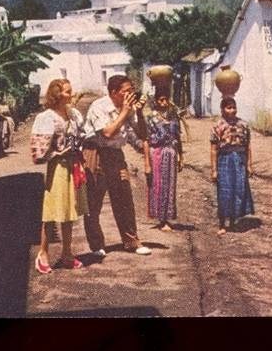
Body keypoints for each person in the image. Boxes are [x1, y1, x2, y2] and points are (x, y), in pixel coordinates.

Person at [82, 75, 152, 256]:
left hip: (115, 155)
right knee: (94, 201)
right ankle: (97, 245)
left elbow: (143, 135)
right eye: (126, 91)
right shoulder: (99, 106)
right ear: (114, 92)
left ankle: (131, 241)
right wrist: (124, 112)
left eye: (131, 90)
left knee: (124, 198)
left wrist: (139, 112)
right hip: (96, 153)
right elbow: (107, 133)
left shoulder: (128, 108)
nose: (130, 94)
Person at [30, 79, 88, 273]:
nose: (70, 95)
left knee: (69, 211)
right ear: (56, 95)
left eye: (71, 91)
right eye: (67, 92)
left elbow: (82, 134)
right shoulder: (47, 117)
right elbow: (38, 151)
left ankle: (67, 253)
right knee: (52, 211)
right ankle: (43, 253)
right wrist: (56, 153)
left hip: (73, 165)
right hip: (58, 168)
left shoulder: (73, 114)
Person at [209, 97, 255, 235]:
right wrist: (214, 170)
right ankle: (222, 224)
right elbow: (213, 149)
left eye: (234, 107)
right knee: (224, 191)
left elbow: (248, 147)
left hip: (239, 160)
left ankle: (234, 222)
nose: (232, 110)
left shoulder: (243, 125)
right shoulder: (217, 126)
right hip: (224, 160)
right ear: (222, 109)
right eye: (229, 107)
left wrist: (249, 165)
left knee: (238, 190)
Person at [142, 87, 183, 232]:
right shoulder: (150, 118)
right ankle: (161, 219)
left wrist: (181, 156)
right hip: (157, 153)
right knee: (158, 185)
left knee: (169, 185)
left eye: (166, 99)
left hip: (171, 153)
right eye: (161, 100)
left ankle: (166, 217)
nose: (164, 103)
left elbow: (178, 137)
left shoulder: (173, 117)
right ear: (156, 101)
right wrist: (147, 162)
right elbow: (145, 140)